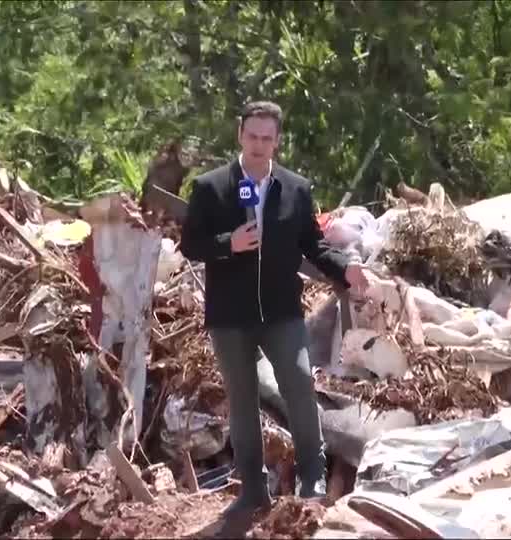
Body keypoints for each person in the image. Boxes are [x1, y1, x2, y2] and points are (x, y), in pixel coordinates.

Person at [179, 101, 370, 519]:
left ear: (277, 140)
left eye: (267, 138)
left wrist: (346, 268)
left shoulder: (295, 188)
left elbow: (312, 245)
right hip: (231, 316)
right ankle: (251, 489)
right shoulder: (211, 187)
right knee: (242, 399)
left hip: (282, 310)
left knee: (300, 383)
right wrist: (229, 243)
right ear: (240, 135)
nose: (259, 146)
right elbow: (190, 244)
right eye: (253, 137)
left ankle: (313, 476)